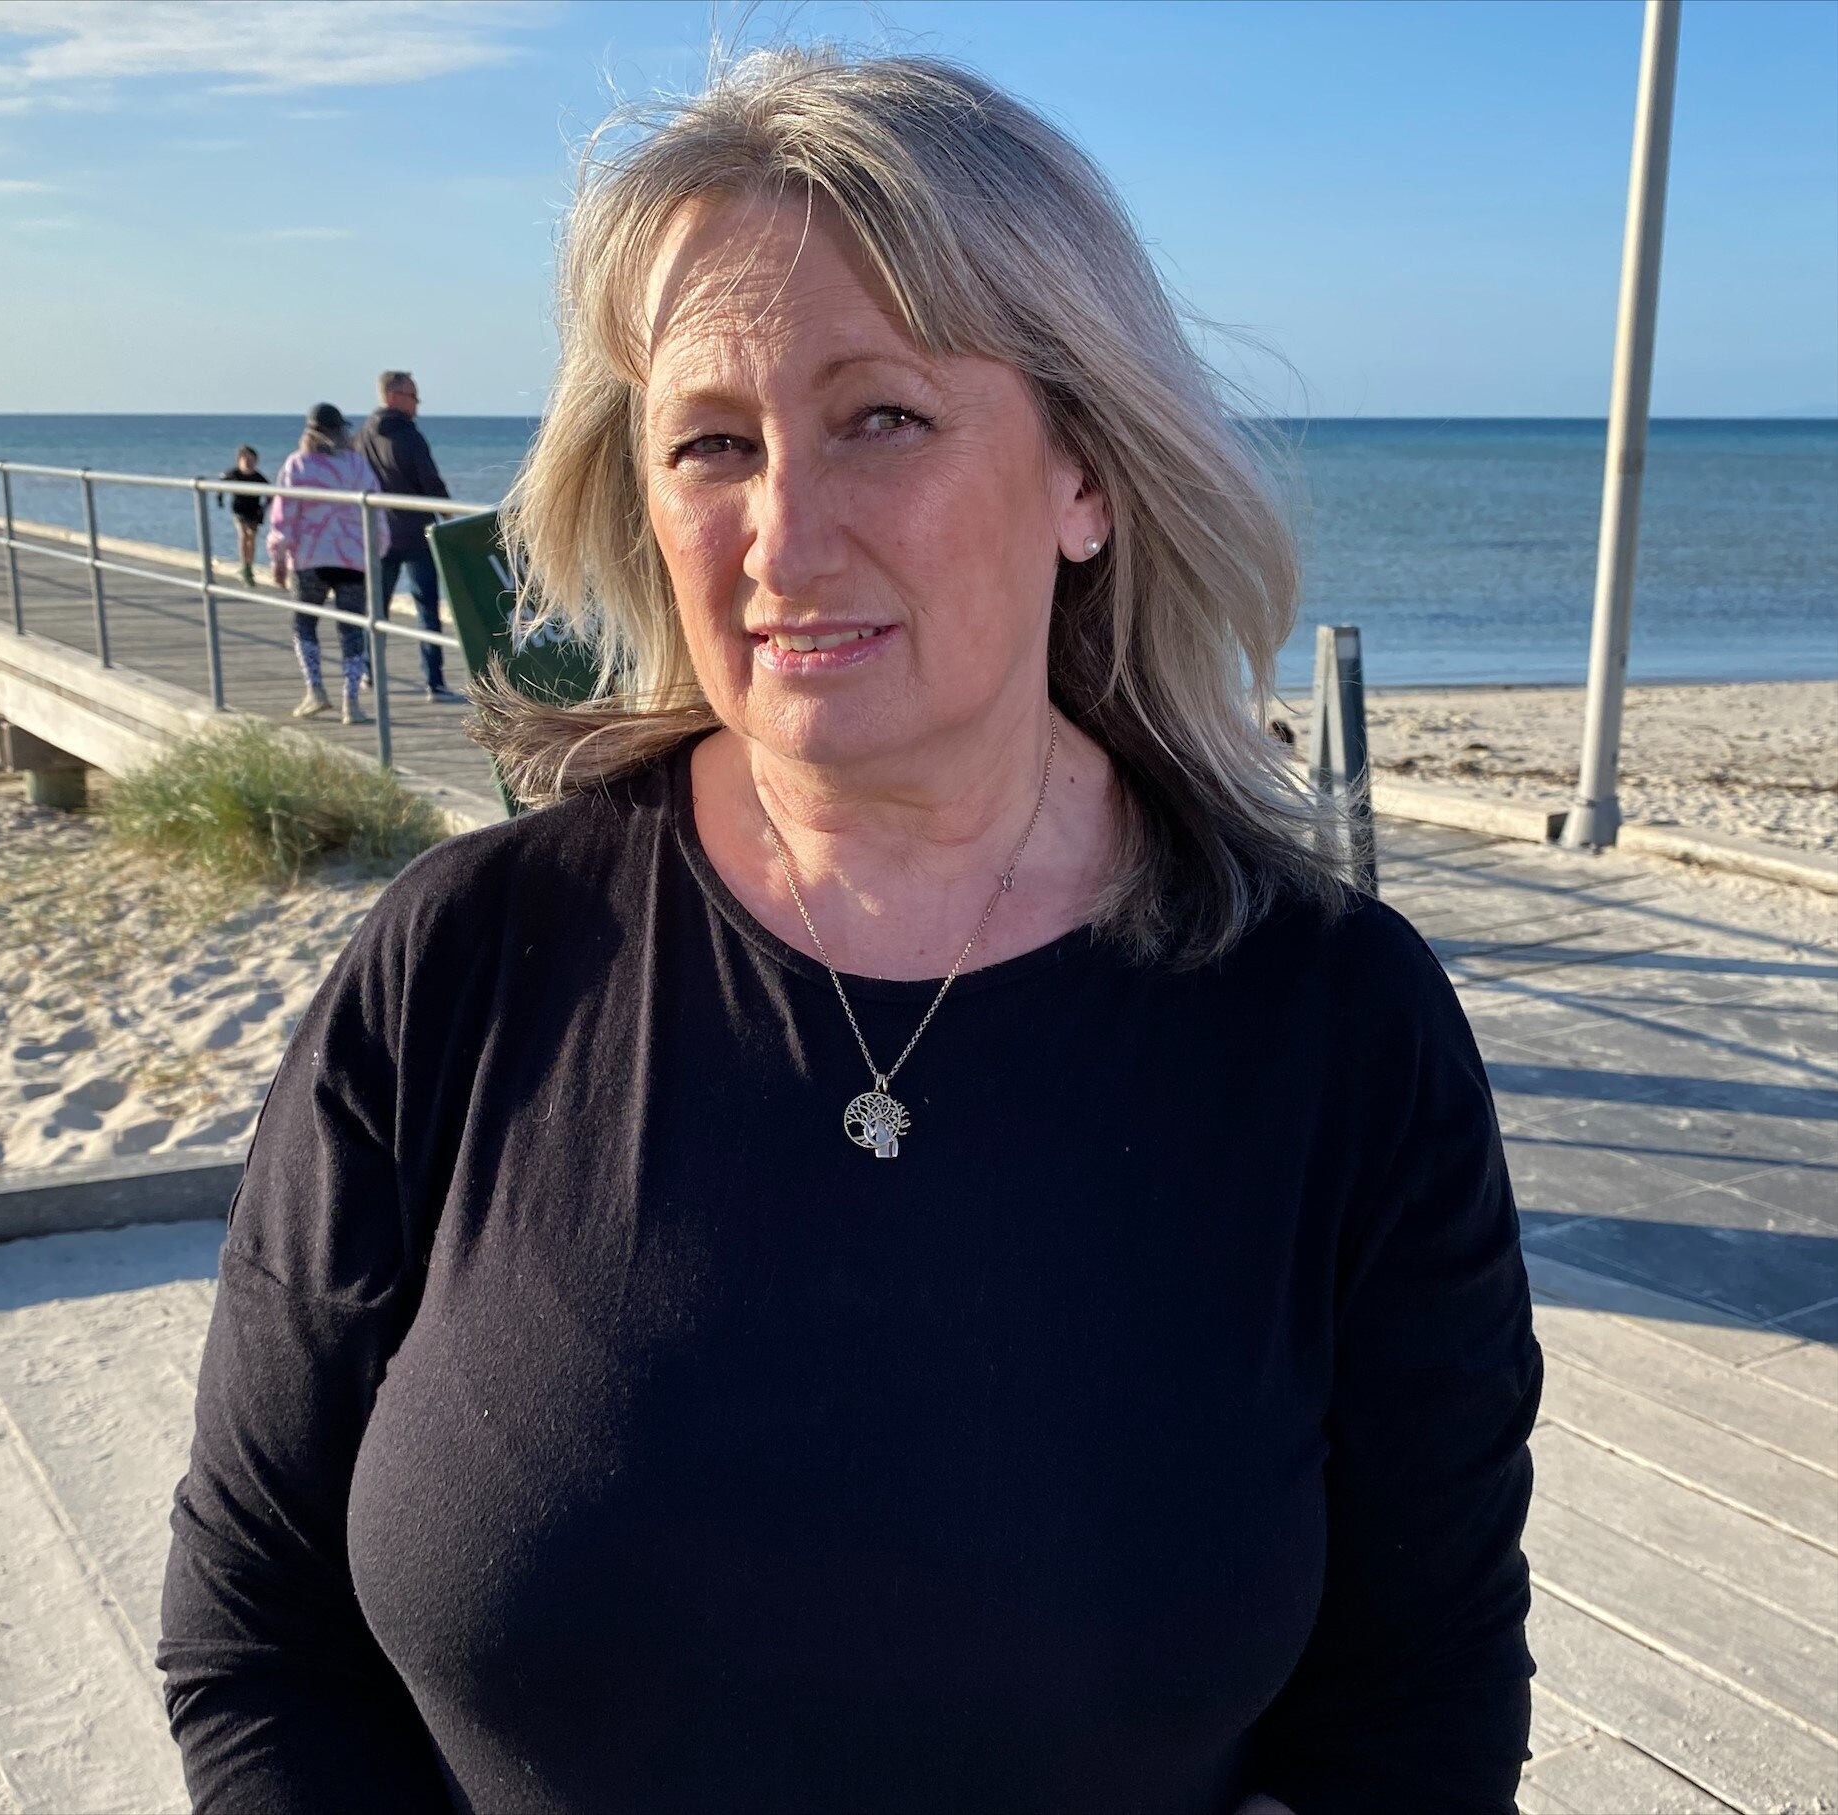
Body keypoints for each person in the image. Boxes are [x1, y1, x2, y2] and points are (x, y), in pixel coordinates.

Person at [161, 49, 1538, 1815]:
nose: (785, 536)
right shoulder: (462, 968)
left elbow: (1417, 1723)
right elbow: (256, 1636)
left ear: (1086, 477)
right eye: (714, 442)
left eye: (881, 415)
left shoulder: (1338, 1030)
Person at [266, 404, 387, 724]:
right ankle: (351, 702)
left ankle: (315, 690)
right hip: (353, 559)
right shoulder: (356, 466)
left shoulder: (298, 465)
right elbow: (377, 512)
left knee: (304, 623)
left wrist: (278, 555)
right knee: (352, 631)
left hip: (310, 558)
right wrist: (378, 550)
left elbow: (284, 515)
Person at [357, 370, 463, 704]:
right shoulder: (408, 436)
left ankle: (369, 671)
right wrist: (447, 516)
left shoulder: (360, 438)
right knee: (427, 608)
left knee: (377, 608)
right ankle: (434, 682)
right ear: (393, 397)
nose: (418, 404)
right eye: (412, 396)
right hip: (417, 532)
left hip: (380, 532)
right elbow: (430, 481)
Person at [218, 444, 268, 587]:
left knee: (251, 536)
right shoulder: (233, 474)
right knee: (243, 535)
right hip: (239, 510)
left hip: (254, 510)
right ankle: (244, 566)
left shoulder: (258, 477)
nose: (248, 462)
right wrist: (220, 500)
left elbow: (270, 493)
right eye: (245, 459)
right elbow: (220, 486)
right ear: (239, 460)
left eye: (251, 459)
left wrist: (264, 508)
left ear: (256, 461)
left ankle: (249, 566)